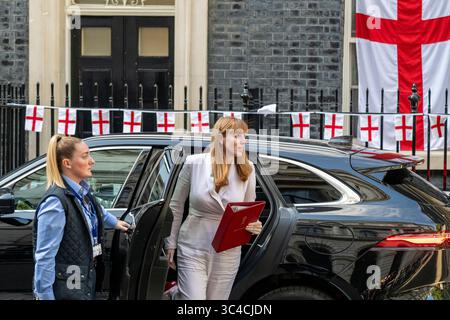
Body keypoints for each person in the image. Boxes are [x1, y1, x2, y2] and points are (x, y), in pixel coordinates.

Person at [165, 117, 263, 300]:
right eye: (237, 136)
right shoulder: (194, 163)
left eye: (244, 137)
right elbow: (176, 205)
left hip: (227, 249)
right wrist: (171, 242)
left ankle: (175, 295)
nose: (243, 141)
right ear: (220, 138)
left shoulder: (247, 169)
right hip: (193, 245)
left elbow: (249, 211)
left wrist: (254, 225)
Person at [33, 135, 130, 300]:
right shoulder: (55, 204)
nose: (92, 161)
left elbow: (97, 212)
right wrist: (44, 296)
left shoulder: (82, 191)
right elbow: (44, 258)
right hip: (69, 285)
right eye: (85, 156)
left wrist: (115, 223)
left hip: (84, 279)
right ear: (67, 163)